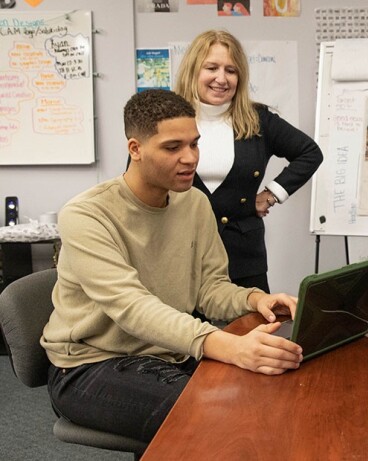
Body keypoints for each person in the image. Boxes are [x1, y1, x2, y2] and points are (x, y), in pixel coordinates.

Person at [40, 89, 304, 444]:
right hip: (89, 365)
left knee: (267, 394)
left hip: (167, 353)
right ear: (135, 149)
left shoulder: (194, 202)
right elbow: (131, 307)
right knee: (226, 420)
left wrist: (255, 299)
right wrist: (227, 345)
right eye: (172, 147)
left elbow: (210, 288)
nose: (190, 158)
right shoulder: (87, 214)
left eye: (194, 144)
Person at [176, 30, 323, 292]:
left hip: (244, 261)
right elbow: (139, 178)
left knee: (252, 331)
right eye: (212, 67)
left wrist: (271, 194)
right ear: (193, 70)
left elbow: (310, 152)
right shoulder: (168, 118)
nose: (222, 78)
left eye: (231, 70)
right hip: (180, 255)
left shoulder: (258, 119)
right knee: (186, 332)